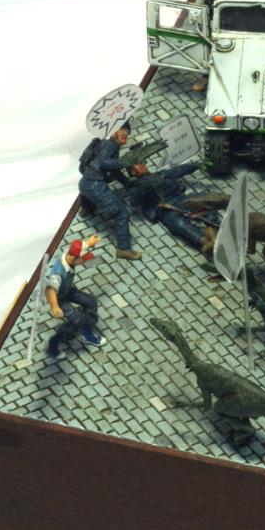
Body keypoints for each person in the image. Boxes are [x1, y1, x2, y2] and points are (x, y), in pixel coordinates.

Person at [78, 122, 142, 260]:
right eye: (123, 131)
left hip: (85, 183)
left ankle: (85, 209)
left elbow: (114, 170)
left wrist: (126, 182)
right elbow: (103, 162)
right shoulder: (110, 145)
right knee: (121, 214)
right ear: (114, 131)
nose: (125, 135)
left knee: (89, 195)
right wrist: (123, 162)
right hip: (95, 185)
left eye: (127, 132)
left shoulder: (109, 144)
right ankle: (123, 249)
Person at [126, 161, 215, 253]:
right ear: (133, 172)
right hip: (165, 208)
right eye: (139, 166)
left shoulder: (161, 174)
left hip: (180, 198)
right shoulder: (136, 186)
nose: (143, 166)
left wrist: (197, 164)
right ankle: (203, 241)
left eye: (143, 165)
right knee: (179, 224)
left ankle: (212, 231)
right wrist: (136, 188)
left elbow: (180, 170)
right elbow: (135, 203)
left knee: (207, 202)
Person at [45, 236, 103, 357]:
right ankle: (53, 345)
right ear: (74, 258)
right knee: (76, 319)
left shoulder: (70, 253)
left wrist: (89, 243)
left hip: (67, 290)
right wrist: (55, 306)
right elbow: (50, 290)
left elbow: (79, 247)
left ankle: (86, 330)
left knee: (91, 302)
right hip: (59, 299)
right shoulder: (58, 274)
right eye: (83, 259)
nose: (85, 261)